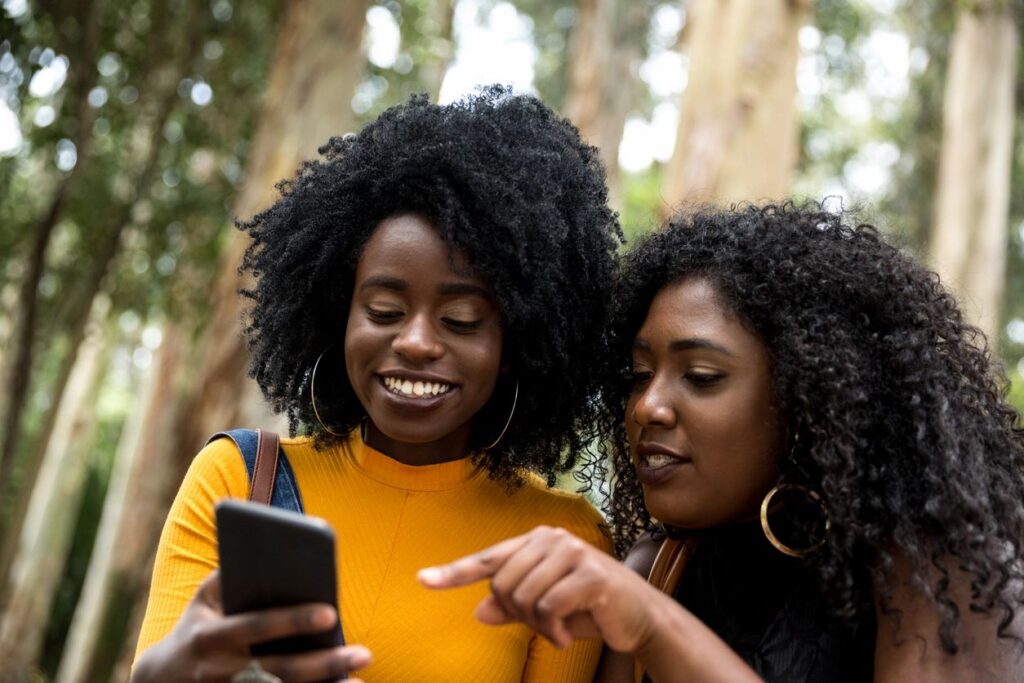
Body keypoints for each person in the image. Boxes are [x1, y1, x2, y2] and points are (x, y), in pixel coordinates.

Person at [130, 86, 621, 683]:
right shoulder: (237, 479)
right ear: (339, 316)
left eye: (461, 320)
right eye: (384, 310)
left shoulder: (565, 542)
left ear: (517, 346)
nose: (415, 342)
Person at [419, 202, 1024, 682]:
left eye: (701, 377)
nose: (648, 406)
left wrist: (655, 629)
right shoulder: (656, 568)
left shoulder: (934, 569)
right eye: (637, 376)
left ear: (808, 394)